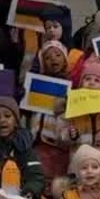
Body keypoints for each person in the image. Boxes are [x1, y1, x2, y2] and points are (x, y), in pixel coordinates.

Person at [23, 39, 76, 179]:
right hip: (38, 142)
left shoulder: (72, 86)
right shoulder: (35, 84)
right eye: (47, 57)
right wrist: (23, 97)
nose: (53, 59)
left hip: (59, 143)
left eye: (58, 55)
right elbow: (26, 112)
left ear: (65, 60)